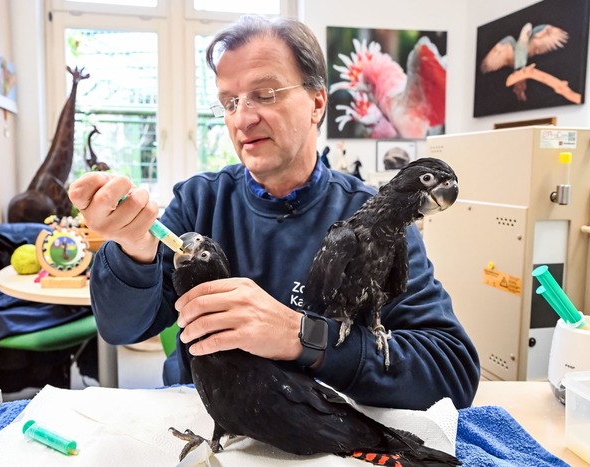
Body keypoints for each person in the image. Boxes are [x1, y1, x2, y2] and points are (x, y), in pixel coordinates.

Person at [68, 15, 480, 410]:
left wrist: (304, 338)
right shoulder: (200, 202)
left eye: (265, 94)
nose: (243, 118)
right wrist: (131, 247)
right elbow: (121, 327)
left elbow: (451, 372)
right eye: (229, 102)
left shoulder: (373, 219)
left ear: (317, 102)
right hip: (205, 425)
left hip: (321, 433)